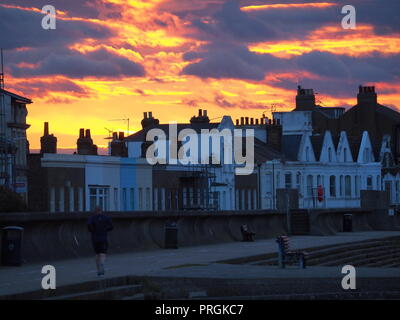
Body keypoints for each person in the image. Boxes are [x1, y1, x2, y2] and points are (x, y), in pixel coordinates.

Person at [87, 206, 114, 276]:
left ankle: (98, 269)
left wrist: (92, 230)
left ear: (95, 211)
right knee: (102, 253)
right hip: (103, 237)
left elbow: (89, 226)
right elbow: (111, 226)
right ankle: (102, 263)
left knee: (97, 254)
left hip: (95, 238)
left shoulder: (91, 218)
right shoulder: (105, 217)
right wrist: (105, 230)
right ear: (101, 211)